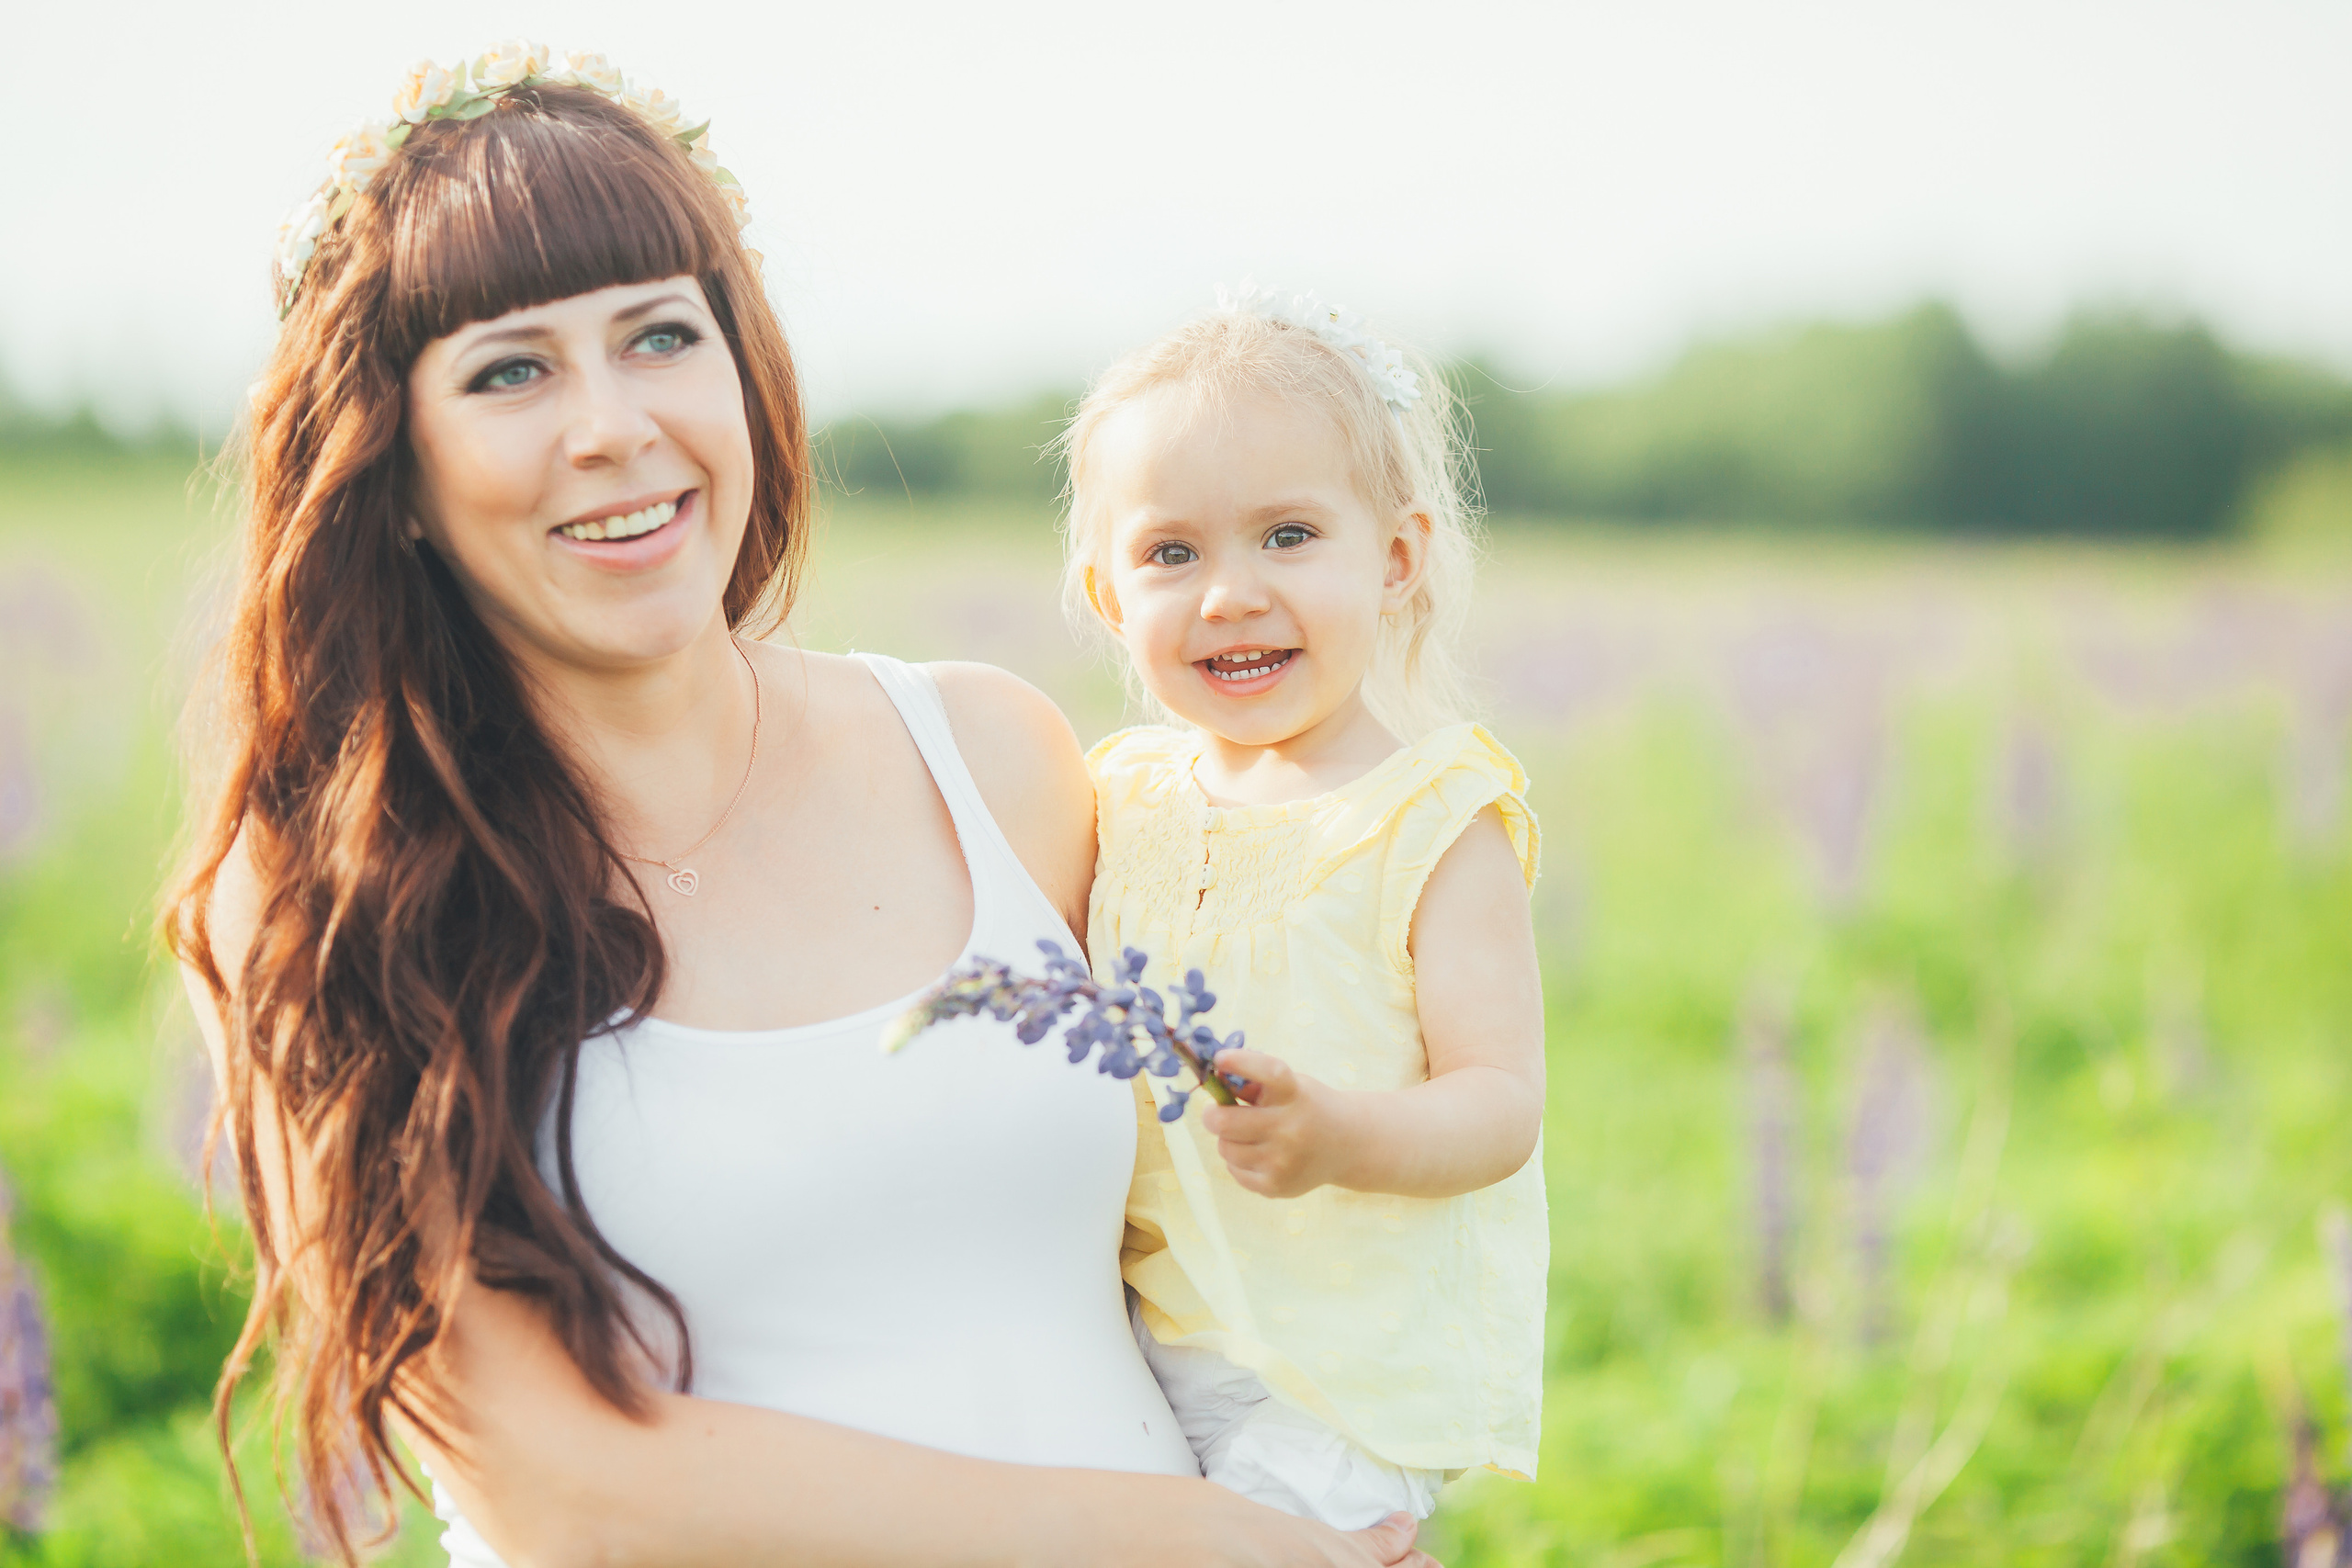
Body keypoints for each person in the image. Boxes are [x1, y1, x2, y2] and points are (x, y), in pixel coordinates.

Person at [164, 45, 1437, 1568]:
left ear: (745, 370)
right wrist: (1207, 1545)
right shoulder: (324, 893)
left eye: (658, 337)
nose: (611, 426)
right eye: (512, 369)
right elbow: (558, 1487)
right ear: (396, 461)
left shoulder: (992, 757)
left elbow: (1224, 1248)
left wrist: (1323, 1498)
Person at [1055, 289, 1549, 1529]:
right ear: (1111, 597)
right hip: (1134, 1339)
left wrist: (1342, 1133)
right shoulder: (1119, 795)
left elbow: (1499, 1105)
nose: (1228, 594)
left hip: (1341, 1386)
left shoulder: (1432, 819)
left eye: (1286, 536)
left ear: (1394, 560)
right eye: (1172, 552)